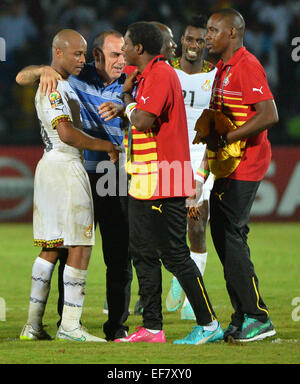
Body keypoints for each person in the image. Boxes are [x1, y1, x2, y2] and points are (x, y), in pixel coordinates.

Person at [16, 30, 133, 341]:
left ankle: (40, 325)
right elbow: (22, 79)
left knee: (70, 248)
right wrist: (43, 69)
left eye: (124, 54)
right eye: (114, 55)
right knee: (76, 247)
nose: (121, 60)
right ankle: (68, 325)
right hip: (72, 168)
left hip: (111, 176)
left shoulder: (130, 82)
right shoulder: (58, 81)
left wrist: (126, 110)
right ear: (97, 56)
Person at [113, 21, 223, 345]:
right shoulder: (148, 76)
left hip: (165, 178)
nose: (123, 49)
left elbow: (144, 120)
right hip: (145, 179)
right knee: (143, 253)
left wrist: (128, 105)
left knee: (175, 254)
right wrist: (128, 94)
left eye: (126, 43)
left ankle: (209, 323)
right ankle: (152, 327)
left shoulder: (161, 74)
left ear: (140, 49)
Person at [199, 8, 278, 342]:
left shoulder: (246, 66)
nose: (207, 36)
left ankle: (257, 317)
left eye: (213, 30)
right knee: (223, 236)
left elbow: (269, 114)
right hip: (228, 164)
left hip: (247, 162)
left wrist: (228, 138)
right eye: (207, 30)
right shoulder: (222, 68)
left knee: (231, 234)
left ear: (232, 33)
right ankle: (243, 314)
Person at [164, 15, 217, 321]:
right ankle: (179, 274)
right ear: (181, 40)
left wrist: (201, 174)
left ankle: (192, 297)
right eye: (189, 39)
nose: (194, 46)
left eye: (200, 41)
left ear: (206, 44)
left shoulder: (214, 75)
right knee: (168, 229)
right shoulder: (166, 70)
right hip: (169, 154)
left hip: (199, 155)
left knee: (197, 224)